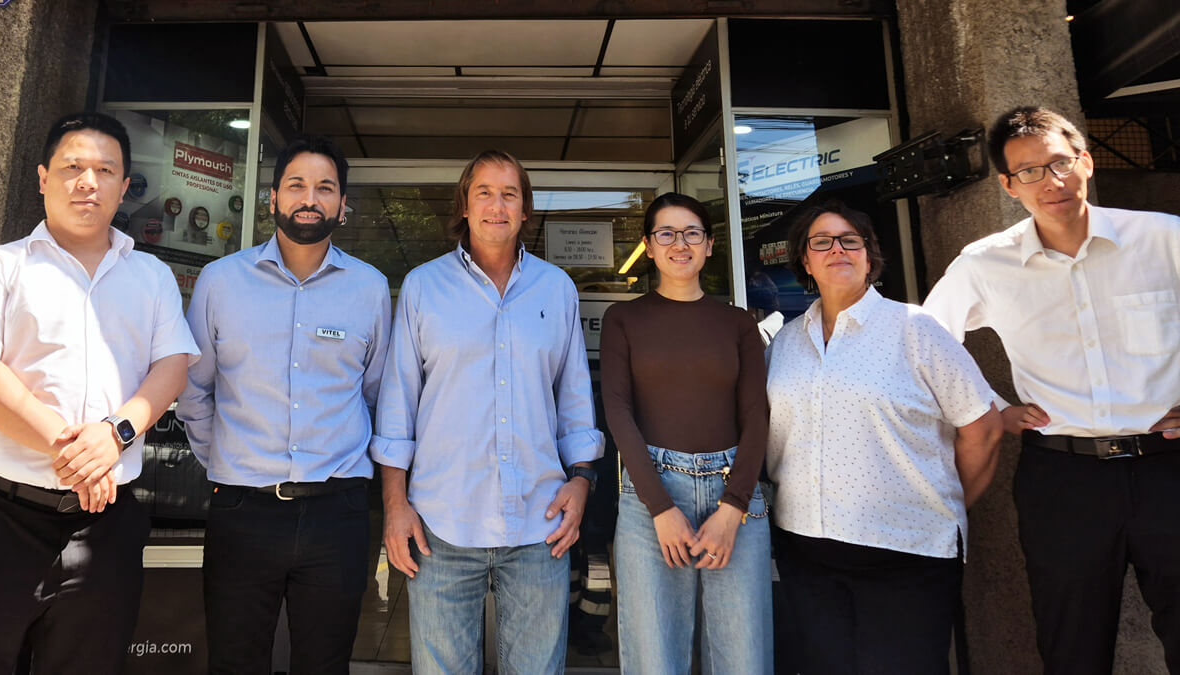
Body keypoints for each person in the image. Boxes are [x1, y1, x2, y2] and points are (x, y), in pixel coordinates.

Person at [923, 106, 1180, 674]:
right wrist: (991, 409)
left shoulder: (1164, 239)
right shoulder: (985, 263)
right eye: (1030, 171)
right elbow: (924, 345)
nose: (1051, 182)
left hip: (1170, 468)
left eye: (1060, 163)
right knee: (1072, 650)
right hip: (1064, 482)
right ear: (1008, 186)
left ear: (1085, 162)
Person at [0, 112, 198, 672]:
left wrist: (115, 435)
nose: (88, 181)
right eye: (73, 166)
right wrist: (76, 449)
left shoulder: (150, 276)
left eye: (105, 170)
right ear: (41, 176)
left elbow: (172, 365)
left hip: (105, 526)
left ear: (125, 187)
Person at [375, 149, 603, 674]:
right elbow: (395, 409)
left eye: (510, 194)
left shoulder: (557, 289)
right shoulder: (421, 288)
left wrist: (583, 480)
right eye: (484, 192)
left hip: (538, 525)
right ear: (464, 205)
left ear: (526, 210)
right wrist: (394, 505)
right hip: (439, 527)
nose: (496, 205)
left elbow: (573, 401)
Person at [176, 134, 390, 673]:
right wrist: (225, 459)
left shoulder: (370, 289)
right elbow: (193, 388)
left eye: (325, 187)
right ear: (272, 198)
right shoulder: (221, 281)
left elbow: (378, 396)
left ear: (343, 206)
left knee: (325, 662)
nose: (309, 198)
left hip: (336, 511)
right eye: (296, 185)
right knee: (234, 660)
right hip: (242, 510)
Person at [766, 200, 1002, 674]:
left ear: (870, 256)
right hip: (805, 552)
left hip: (905, 555)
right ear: (804, 262)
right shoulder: (787, 341)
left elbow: (983, 426)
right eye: (822, 242)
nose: (838, 250)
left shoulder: (915, 329)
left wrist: (948, 502)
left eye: (850, 240)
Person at [601, 192, 773, 674]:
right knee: (656, 658)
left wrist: (734, 505)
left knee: (744, 658)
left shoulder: (738, 323)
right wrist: (660, 507)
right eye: (666, 234)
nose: (680, 244)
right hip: (650, 496)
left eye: (692, 232)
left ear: (710, 245)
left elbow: (756, 416)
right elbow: (617, 412)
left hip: (733, 494)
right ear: (649, 248)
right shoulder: (624, 319)